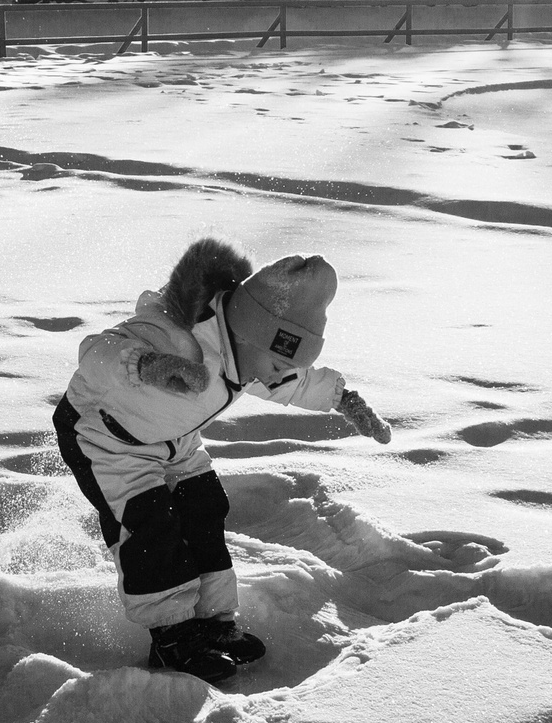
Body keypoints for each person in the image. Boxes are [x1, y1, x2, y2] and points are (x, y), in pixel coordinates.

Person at [53, 237, 393, 686]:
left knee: (204, 507)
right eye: (275, 363)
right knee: (150, 523)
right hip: (104, 437)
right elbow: (97, 352)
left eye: (282, 367)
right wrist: (145, 364)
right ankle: (173, 634)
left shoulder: (250, 356)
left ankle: (213, 621)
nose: (274, 376)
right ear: (252, 335)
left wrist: (340, 398)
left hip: (174, 442)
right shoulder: (180, 336)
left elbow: (291, 381)